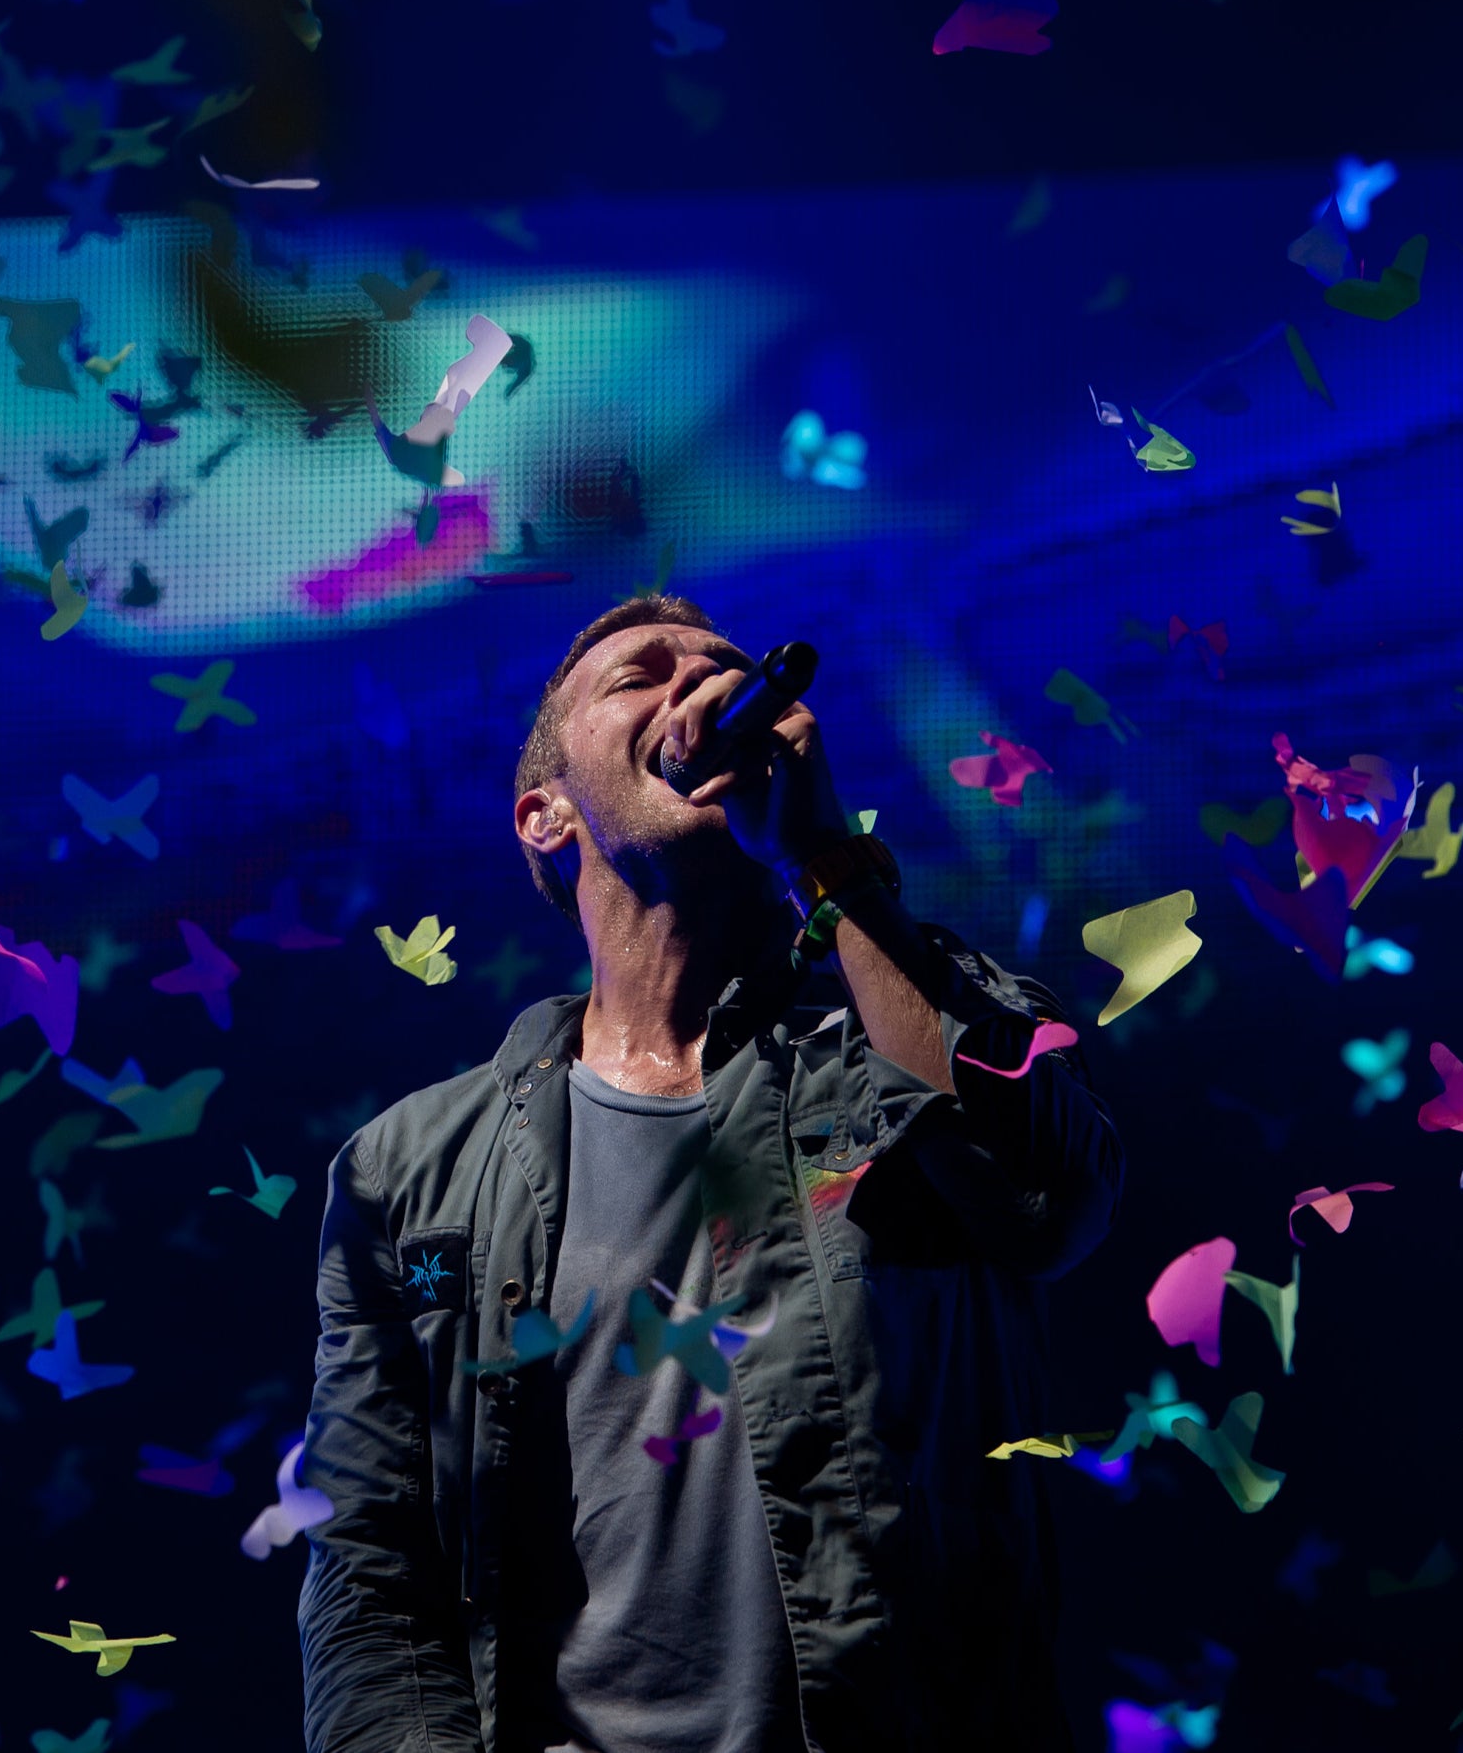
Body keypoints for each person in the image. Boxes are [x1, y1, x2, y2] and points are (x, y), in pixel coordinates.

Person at [298, 594, 1122, 1753]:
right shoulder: (407, 1169)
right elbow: (374, 1568)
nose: (698, 691)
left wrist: (826, 859)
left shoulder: (892, 1029)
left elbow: (1045, 1198)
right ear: (544, 817)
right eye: (639, 675)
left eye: (723, 670)